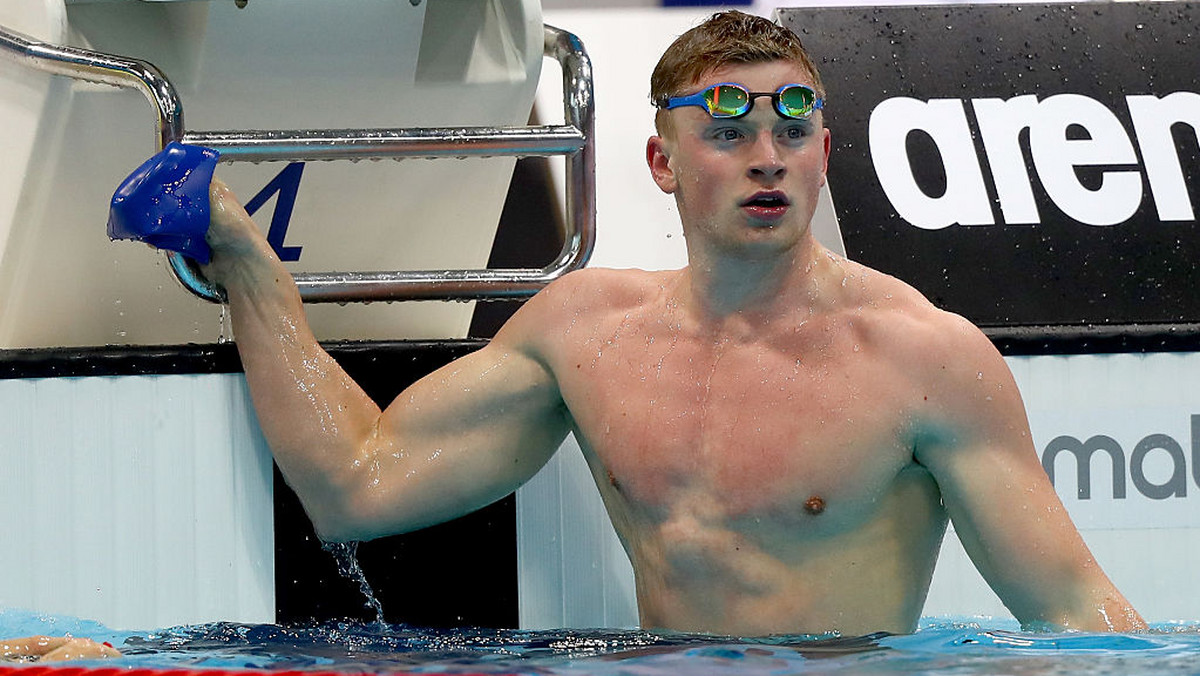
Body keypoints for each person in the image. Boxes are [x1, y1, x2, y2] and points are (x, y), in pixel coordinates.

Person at [196, 10, 1142, 636]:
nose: (766, 160)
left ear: (823, 150)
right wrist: (245, 265)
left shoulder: (923, 358)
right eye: (728, 135)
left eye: (793, 133)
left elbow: (1075, 613)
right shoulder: (587, 333)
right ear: (662, 160)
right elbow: (356, 484)